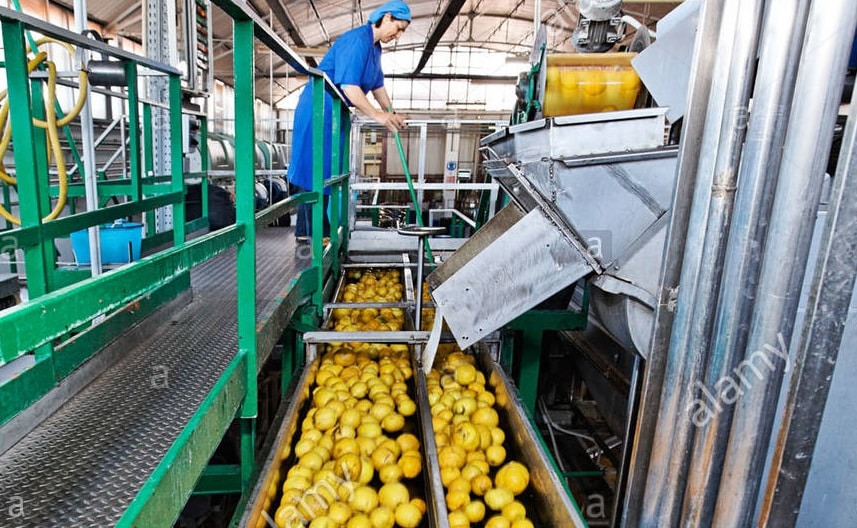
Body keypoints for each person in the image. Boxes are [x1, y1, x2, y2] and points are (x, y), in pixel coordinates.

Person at [288, 0, 410, 244]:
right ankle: (316, 233)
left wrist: (391, 112)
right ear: (386, 18)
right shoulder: (357, 40)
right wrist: (379, 116)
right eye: (398, 28)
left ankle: (304, 229)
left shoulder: (374, 49)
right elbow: (350, 88)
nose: (398, 35)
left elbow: (377, 86)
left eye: (402, 31)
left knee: (328, 170)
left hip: (334, 112)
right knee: (316, 169)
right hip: (319, 109)